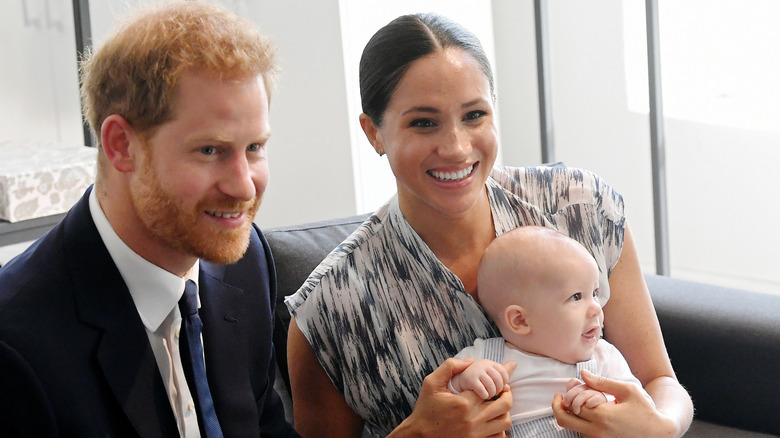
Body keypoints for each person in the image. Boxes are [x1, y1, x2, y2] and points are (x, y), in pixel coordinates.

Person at [285, 11, 693, 438]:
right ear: (374, 133)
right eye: (424, 122)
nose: (457, 148)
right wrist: (417, 434)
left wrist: (661, 426)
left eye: (474, 115)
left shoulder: (580, 207)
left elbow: (659, 380)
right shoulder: (331, 308)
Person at [0, 2, 298, 437]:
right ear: (121, 145)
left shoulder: (246, 261)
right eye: (210, 150)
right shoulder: (16, 345)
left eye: (254, 147)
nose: (244, 187)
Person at [448, 226, 654, 437]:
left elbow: (643, 411)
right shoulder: (485, 359)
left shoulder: (604, 357)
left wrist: (606, 402)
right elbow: (443, 402)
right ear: (520, 320)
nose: (596, 308)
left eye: (594, 293)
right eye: (576, 296)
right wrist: (463, 381)